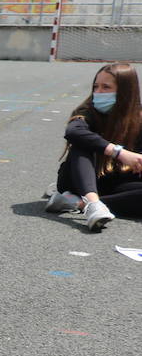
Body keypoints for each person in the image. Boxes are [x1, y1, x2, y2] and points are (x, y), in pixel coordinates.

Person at [43, 62, 142, 231]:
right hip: (79, 180)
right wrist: (119, 152)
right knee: (82, 143)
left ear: (126, 92)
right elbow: (73, 132)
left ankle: (78, 203)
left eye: (106, 87)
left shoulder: (138, 118)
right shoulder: (87, 111)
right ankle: (93, 203)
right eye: (96, 87)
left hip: (117, 183)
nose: (98, 93)